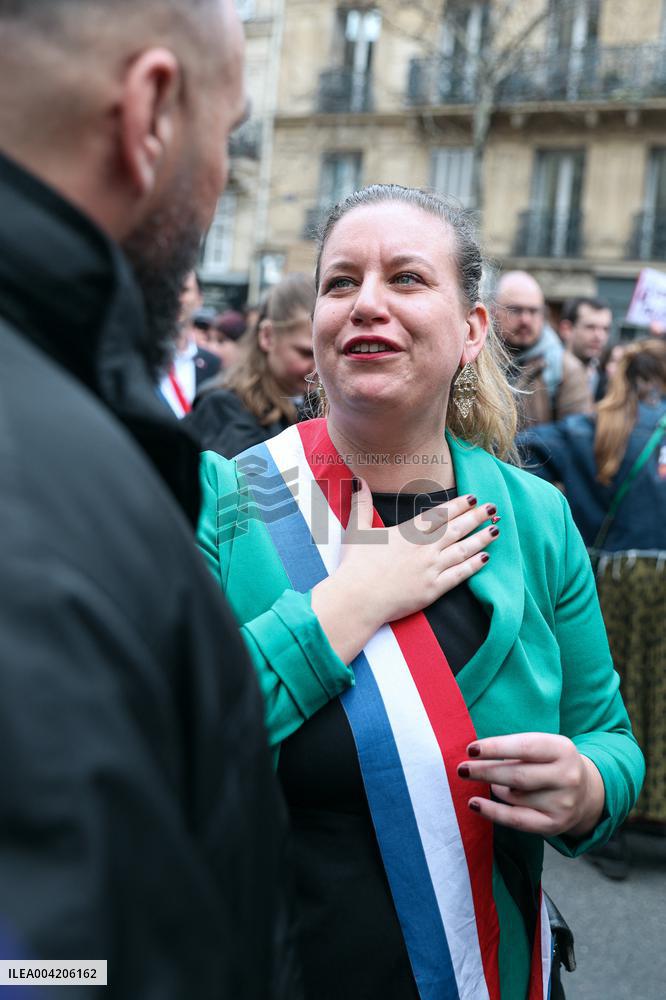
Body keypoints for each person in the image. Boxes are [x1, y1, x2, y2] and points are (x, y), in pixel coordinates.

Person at [197, 185, 644, 1000]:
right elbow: (165, 742)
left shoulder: (538, 518)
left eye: (406, 278)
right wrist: (349, 604)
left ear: (472, 331)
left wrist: (585, 789)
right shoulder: (229, 502)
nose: (367, 303)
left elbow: (611, 740)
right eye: (341, 282)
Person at [0, 2, 293, 997]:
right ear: (152, 112)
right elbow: (47, 967)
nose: (219, 176)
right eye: (231, 128)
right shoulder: (41, 506)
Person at [519, 339, 666, 875]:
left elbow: (525, 447)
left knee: (617, 697)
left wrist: (566, 513)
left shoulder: (596, 428)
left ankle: (614, 824)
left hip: (622, 581)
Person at [187, 272, 315, 456]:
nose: (317, 369)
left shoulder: (313, 404)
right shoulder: (225, 409)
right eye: (307, 353)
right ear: (267, 336)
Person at [493, 271, 592, 429]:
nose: (525, 319)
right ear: (493, 310)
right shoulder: (475, 358)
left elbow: (575, 438)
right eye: (515, 310)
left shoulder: (565, 368)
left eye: (533, 311)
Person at [159, 271, 221, 416]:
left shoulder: (212, 365)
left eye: (184, 290)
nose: (177, 298)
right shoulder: (139, 358)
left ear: (200, 299)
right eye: (170, 289)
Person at [559, 296, 613, 398]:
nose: (599, 336)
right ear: (566, 329)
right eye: (590, 327)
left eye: (605, 329)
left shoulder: (606, 380)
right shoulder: (546, 376)